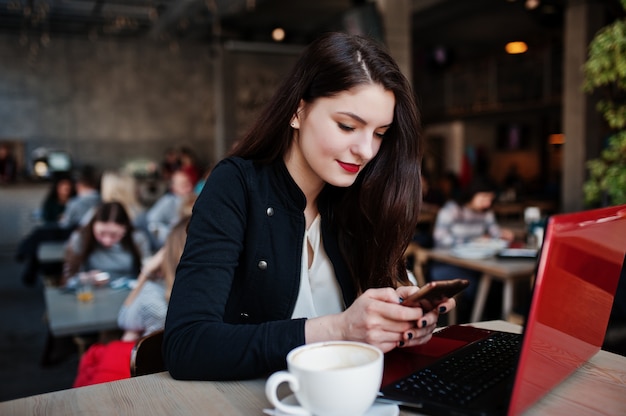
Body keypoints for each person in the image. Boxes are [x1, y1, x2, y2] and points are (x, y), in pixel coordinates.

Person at [163, 32, 456, 381]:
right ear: (297, 111)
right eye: (348, 126)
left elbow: (367, 336)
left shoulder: (361, 195)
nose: (366, 150)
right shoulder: (236, 185)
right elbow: (187, 346)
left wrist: (399, 325)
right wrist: (340, 329)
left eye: (380, 133)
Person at [72, 216, 189, 387]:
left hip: (144, 370)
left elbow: (123, 319)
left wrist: (146, 273)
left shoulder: (152, 297)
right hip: (172, 372)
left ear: (168, 251)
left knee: (116, 343)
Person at [430, 177, 514, 322]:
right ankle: (472, 324)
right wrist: (472, 241)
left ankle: (490, 324)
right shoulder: (453, 209)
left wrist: (502, 235)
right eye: (484, 197)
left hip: (475, 264)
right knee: (479, 285)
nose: (487, 202)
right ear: (472, 193)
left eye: (490, 199)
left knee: (494, 283)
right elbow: (440, 238)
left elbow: (495, 233)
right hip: (446, 264)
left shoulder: (486, 212)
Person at [62, 201, 151, 286]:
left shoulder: (137, 239)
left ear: (125, 229)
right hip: (92, 295)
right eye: (101, 233)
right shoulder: (80, 239)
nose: (107, 240)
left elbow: (148, 272)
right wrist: (85, 278)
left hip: (129, 294)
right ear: (93, 226)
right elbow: (68, 280)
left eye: (114, 235)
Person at [145, 169, 195, 250]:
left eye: (189, 183)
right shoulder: (168, 202)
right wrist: (170, 235)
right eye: (183, 185)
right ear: (174, 188)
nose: (188, 188)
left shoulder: (196, 198)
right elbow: (152, 222)